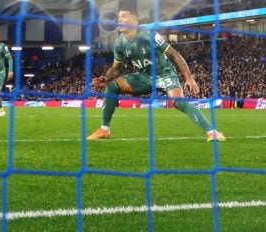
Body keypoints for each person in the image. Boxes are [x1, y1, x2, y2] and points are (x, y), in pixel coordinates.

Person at [87, 10, 225, 142]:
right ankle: (104, 130)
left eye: (124, 16)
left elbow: (174, 54)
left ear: (134, 21)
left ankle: (212, 132)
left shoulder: (149, 35)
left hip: (164, 74)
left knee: (179, 102)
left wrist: (188, 77)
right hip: (144, 76)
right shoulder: (119, 42)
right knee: (111, 86)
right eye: (119, 17)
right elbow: (116, 68)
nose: (120, 20)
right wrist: (106, 78)